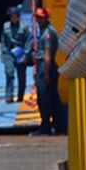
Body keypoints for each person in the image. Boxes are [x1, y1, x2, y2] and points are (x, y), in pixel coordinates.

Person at [30, 7, 63, 135]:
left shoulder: (48, 33)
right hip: (45, 66)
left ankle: (46, 127)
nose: (37, 20)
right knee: (53, 98)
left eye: (39, 18)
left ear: (45, 18)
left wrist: (46, 73)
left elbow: (48, 54)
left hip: (45, 67)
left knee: (44, 99)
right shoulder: (46, 31)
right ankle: (58, 126)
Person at [0, 6, 31, 103]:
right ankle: (9, 95)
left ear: (18, 16)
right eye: (11, 16)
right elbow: (3, 41)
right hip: (9, 52)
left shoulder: (24, 26)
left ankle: (20, 95)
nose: (13, 18)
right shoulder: (5, 26)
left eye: (15, 16)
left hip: (20, 52)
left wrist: (26, 55)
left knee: (21, 75)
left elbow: (27, 41)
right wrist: (3, 54)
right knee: (9, 73)